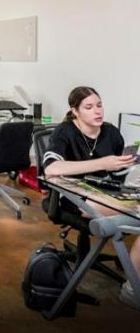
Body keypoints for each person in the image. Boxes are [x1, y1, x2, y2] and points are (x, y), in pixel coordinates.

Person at [43, 86, 139, 310]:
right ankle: (132, 291)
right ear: (75, 111)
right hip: (76, 197)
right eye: (89, 107)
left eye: (99, 105)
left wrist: (128, 167)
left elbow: (116, 174)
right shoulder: (64, 132)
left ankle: (133, 288)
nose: (97, 111)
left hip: (107, 192)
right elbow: (51, 168)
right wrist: (102, 163)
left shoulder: (111, 132)